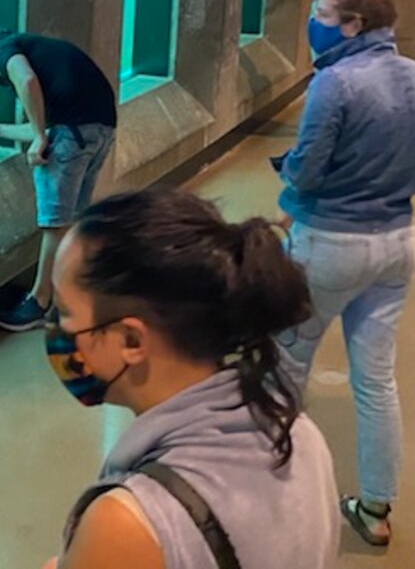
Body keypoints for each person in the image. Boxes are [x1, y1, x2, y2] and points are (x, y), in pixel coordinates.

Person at [43, 189, 339, 569]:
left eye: (64, 312)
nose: (55, 328)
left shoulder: (128, 523)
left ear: (131, 340)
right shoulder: (296, 431)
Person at [274, 0, 415, 547]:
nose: (312, 23)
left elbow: (308, 171)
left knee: (286, 368)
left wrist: (287, 173)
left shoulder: (334, 82)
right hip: (398, 244)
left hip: (331, 246)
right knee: (377, 381)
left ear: (352, 24)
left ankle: (277, 497)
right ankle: (375, 507)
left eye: (320, 13)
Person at [0, 27, 117, 331]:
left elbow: (26, 82)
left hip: (76, 133)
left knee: (55, 222)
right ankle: (77, 293)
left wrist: (39, 138)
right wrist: (1, 130)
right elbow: (57, 126)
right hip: (99, 130)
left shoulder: (2, 50)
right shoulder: (45, 50)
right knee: (73, 220)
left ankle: (39, 302)